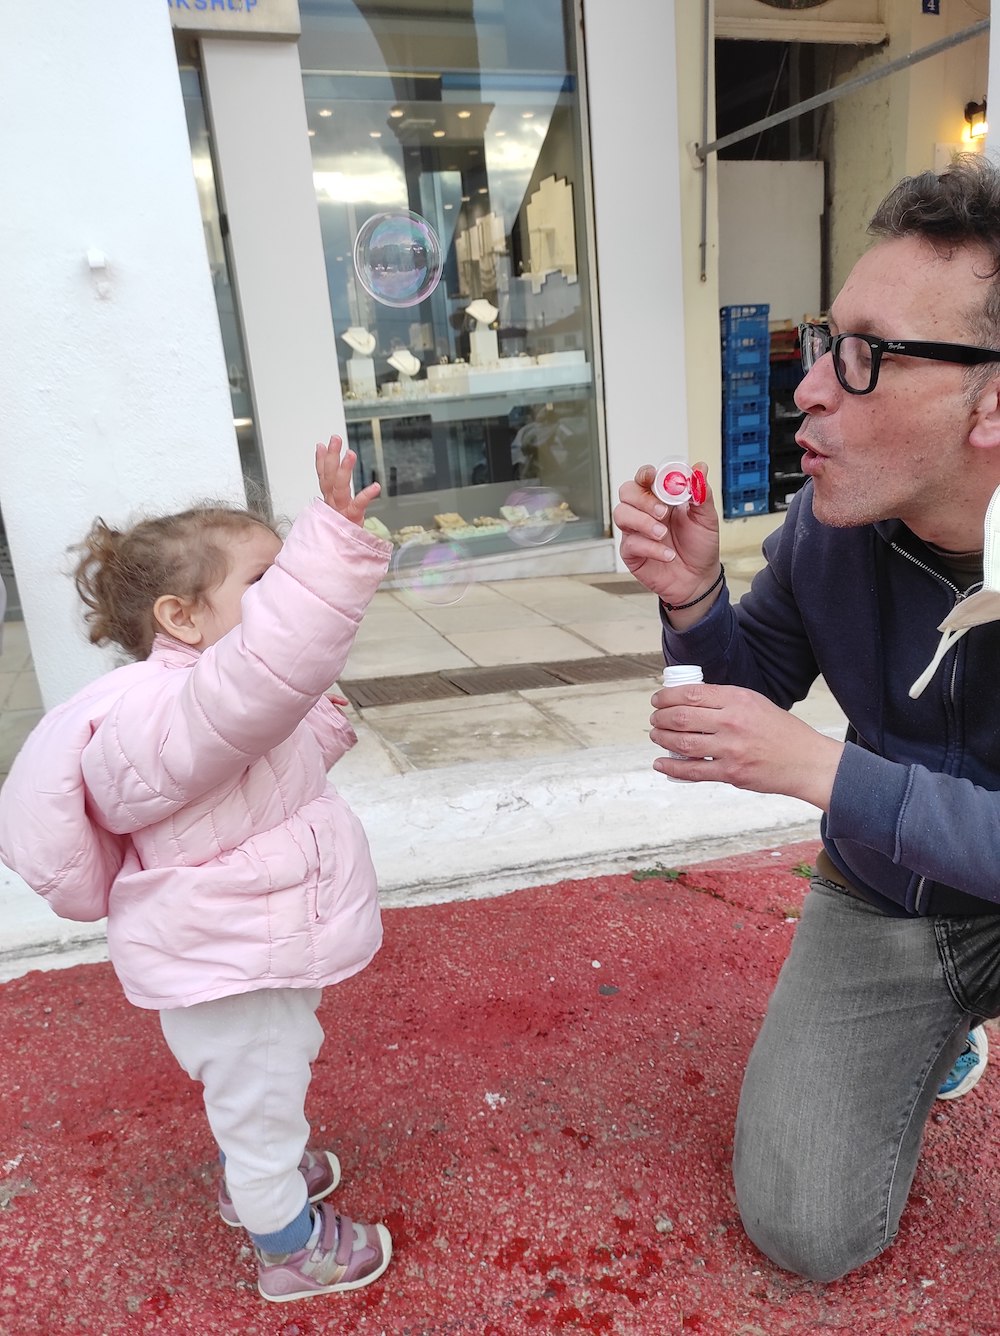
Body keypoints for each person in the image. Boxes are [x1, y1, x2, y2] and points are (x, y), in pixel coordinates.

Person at [614, 153, 1000, 1283]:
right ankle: (938, 1024)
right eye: (825, 341)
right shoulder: (826, 525)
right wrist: (693, 599)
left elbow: (810, 758)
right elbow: (750, 686)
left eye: (864, 355)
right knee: (805, 1226)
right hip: (891, 894)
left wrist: (833, 776)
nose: (809, 388)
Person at [0, 438, 394, 1303]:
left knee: (264, 1082)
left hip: (240, 947)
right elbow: (268, 676)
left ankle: (255, 1169)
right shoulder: (174, 709)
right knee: (261, 1096)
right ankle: (289, 1246)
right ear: (182, 617)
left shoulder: (200, 707)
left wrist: (320, 714)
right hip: (232, 961)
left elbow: (274, 750)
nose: (289, 595)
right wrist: (329, 545)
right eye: (269, 584)